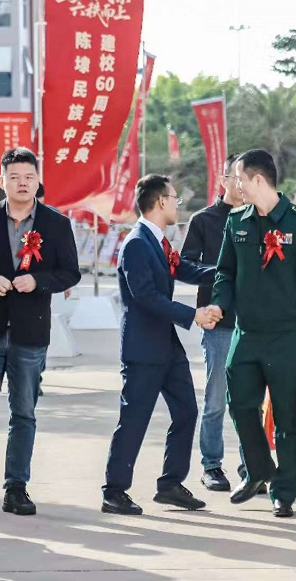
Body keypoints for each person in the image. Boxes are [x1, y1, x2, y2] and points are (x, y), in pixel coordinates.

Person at [0, 147, 81, 517]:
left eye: (29, 177)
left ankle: (16, 487)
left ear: (38, 181)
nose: (22, 183)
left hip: (30, 335)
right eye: (14, 177)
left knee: (23, 413)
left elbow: (69, 272)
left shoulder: (56, 224)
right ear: (2, 181)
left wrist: (38, 282)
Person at [209, 149, 296, 518]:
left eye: (239, 179)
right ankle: (259, 468)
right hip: (246, 333)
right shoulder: (236, 221)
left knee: (288, 419)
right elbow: (225, 272)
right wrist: (219, 305)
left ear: (257, 180)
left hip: (289, 336)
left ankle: (284, 492)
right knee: (239, 405)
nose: (235, 186)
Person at [102, 175, 219, 515]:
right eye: (174, 198)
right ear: (161, 201)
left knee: (186, 411)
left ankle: (170, 484)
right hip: (143, 349)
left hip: (167, 346)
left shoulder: (159, 242)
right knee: (134, 419)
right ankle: (114, 491)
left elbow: (187, 270)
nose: (177, 205)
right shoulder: (137, 244)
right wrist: (193, 315)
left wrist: (229, 270)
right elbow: (146, 297)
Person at [180, 153, 250, 493]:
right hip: (219, 322)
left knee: (249, 401)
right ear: (223, 181)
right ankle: (211, 465)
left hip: (253, 323)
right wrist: (223, 273)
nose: (241, 184)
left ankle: (252, 465)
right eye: (236, 177)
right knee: (216, 399)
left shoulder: (259, 217)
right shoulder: (204, 220)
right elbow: (185, 264)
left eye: (247, 178)